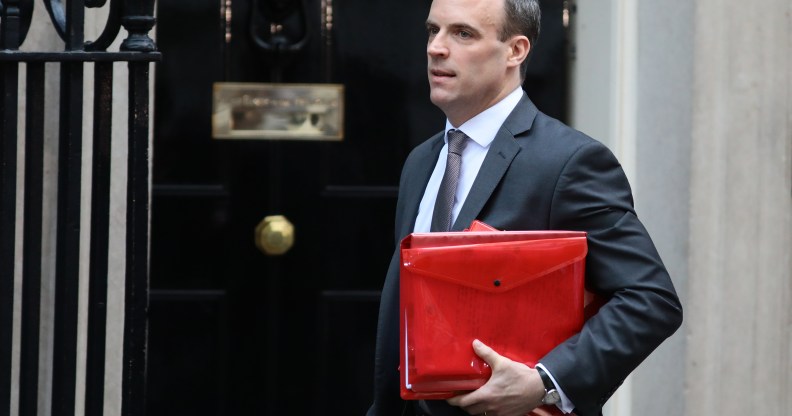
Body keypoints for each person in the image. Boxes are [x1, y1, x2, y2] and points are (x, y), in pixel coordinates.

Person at [368, 0, 683, 415]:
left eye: (462, 33)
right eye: (433, 30)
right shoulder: (421, 162)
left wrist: (544, 382)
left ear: (515, 50)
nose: (436, 48)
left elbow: (650, 299)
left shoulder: (568, 162)